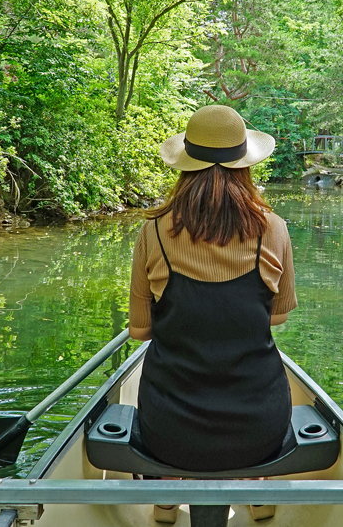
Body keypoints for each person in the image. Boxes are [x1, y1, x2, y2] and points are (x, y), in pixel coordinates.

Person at [128, 104, 298, 527]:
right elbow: (277, 317)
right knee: (262, 416)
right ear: (245, 167)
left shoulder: (153, 231)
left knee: (163, 420)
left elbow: (141, 330)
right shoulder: (274, 228)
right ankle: (258, 487)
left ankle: (166, 496)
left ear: (185, 167)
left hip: (170, 430)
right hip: (258, 428)